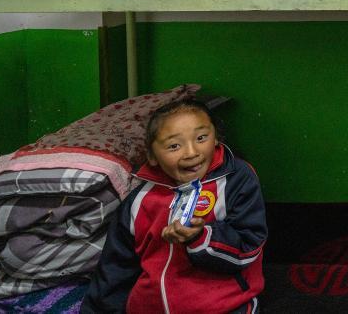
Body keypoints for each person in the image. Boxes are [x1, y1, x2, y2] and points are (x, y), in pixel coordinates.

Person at [82, 99, 267, 313]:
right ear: (152, 156)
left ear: (216, 137)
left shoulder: (236, 179)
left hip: (223, 306)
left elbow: (249, 245)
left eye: (201, 138)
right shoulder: (139, 200)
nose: (191, 152)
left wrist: (200, 237)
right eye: (174, 146)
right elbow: (115, 267)